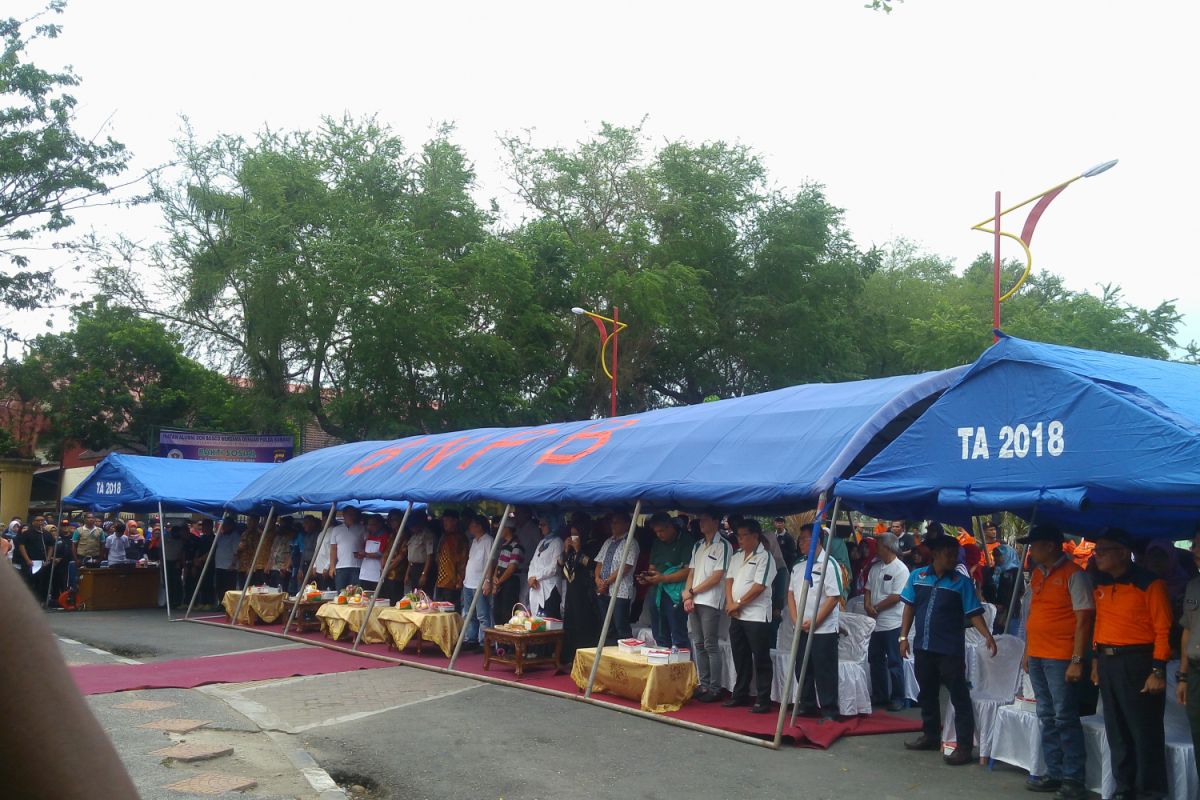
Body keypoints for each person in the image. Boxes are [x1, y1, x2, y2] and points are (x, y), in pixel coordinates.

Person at [899, 534, 997, 765]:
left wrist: (988, 636)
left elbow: (974, 613)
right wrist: (903, 637)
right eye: (949, 554)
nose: (953, 559)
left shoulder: (961, 583)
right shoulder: (917, 576)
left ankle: (964, 746)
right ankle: (931, 735)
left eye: (955, 555)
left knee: (959, 696)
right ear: (935, 555)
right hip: (923, 645)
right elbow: (909, 608)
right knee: (927, 693)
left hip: (950, 649)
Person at [1090, 528, 1170, 800]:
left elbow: (1163, 629)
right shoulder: (1101, 583)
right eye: (1096, 550)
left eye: (1103, 550)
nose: (1096, 556)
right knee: (1117, 730)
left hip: (1138, 661)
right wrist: (1096, 660)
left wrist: (1158, 670)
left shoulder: (1150, 584)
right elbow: (1099, 622)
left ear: (1123, 553)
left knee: (1143, 730)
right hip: (1108, 660)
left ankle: (1150, 791)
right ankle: (1124, 788)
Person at [1018, 524, 1094, 799]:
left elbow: (1084, 619)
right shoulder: (1038, 574)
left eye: (1034, 544)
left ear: (1050, 546)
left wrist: (1077, 659)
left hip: (1061, 656)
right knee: (1046, 715)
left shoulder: (1075, 575)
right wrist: (1028, 651)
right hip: (1038, 654)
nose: (1031, 549)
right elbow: (1032, 615)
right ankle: (1055, 771)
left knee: (1064, 716)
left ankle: (1073, 778)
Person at [790, 523, 843, 720]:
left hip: (823, 628)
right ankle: (808, 704)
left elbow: (834, 597)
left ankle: (829, 709)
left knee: (824, 669)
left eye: (804, 539)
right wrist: (796, 619)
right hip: (802, 626)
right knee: (802, 667)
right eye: (800, 540)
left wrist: (815, 621)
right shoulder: (798, 565)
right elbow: (790, 594)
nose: (800, 543)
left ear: (816, 540)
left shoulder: (829, 564)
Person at [724, 518, 777, 713]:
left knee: (761, 657)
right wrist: (730, 603)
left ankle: (763, 699)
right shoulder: (737, 555)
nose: (740, 539)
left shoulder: (765, 557)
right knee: (740, 655)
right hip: (737, 614)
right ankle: (740, 693)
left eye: (744, 535)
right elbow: (729, 580)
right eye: (738, 535)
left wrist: (738, 603)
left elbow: (759, 586)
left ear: (755, 536)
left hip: (756, 615)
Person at [682, 508, 731, 702]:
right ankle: (703, 684)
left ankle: (715, 687)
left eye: (705, 519)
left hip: (710, 600)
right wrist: (687, 595)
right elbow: (691, 572)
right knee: (699, 643)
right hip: (694, 599)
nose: (701, 523)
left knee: (711, 644)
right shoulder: (698, 545)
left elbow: (717, 576)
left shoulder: (724, 545)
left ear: (716, 521)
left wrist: (693, 591)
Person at [865, 532, 910, 712]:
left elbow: (897, 596)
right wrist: (867, 604)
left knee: (894, 661)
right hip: (875, 623)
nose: (876, 549)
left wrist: (876, 608)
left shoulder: (901, 569)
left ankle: (898, 697)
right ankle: (880, 695)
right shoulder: (875, 567)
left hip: (892, 623)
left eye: (879, 546)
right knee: (875, 659)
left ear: (888, 547)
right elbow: (867, 588)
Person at [640, 512, 692, 650]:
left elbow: (689, 571)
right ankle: (663, 664)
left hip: (675, 593)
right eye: (656, 532)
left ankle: (682, 667)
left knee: (678, 634)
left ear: (670, 527)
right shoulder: (657, 543)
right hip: (657, 591)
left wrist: (664, 578)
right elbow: (652, 567)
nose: (659, 534)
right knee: (660, 634)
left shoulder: (685, 540)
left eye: (662, 531)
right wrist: (647, 578)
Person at [594, 510, 640, 642]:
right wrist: (598, 579)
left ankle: (626, 658)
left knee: (621, 627)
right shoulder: (608, 541)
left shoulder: (631, 542)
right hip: (603, 590)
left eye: (616, 523)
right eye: (612, 523)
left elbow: (626, 567)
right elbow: (599, 562)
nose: (612, 526)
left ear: (626, 524)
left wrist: (606, 582)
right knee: (607, 628)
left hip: (620, 591)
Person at [561, 516, 602, 661]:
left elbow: (591, 564)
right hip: (572, 591)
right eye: (571, 534)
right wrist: (567, 550)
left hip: (585, 591)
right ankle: (569, 656)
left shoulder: (592, 545)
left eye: (576, 534)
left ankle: (584, 658)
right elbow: (563, 568)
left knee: (583, 623)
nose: (573, 538)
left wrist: (579, 550)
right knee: (570, 622)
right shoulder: (571, 550)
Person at [1177, 529, 1200, 784]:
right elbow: (1187, 633)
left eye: (1198, 545)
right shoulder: (1193, 586)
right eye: (1193, 544)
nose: (1194, 550)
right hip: (1195, 673)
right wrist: (1182, 676)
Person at [460, 514, 495, 651]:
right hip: (469, 581)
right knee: (469, 613)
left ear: (480, 526)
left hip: (480, 582)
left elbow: (490, 561)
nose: (470, 527)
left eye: (473, 524)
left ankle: (485, 641)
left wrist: (487, 580)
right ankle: (472, 638)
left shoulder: (489, 540)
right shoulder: (474, 541)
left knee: (482, 614)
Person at [527, 517, 564, 618]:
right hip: (537, 587)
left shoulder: (558, 542)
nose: (540, 527)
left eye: (543, 525)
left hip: (551, 587)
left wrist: (536, 577)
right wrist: (530, 577)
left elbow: (554, 567)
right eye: (540, 524)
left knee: (550, 619)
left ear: (552, 526)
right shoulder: (541, 542)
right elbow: (533, 562)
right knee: (538, 620)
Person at [983, 543, 1022, 634]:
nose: (995, 558)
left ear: (1007, 555)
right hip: (993, 611)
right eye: (994, 555)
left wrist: (1004, 606)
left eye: (998, 555)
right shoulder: (991, 571)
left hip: (1010, 612)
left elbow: (1018, 591)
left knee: (1010, 641)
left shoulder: (1015, 572)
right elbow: (985, 588)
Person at [492, 519, 524, 622]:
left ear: (507, 529)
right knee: (497, 612)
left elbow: (512, 567)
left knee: (507, 612)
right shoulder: (504, 544)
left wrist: (499, 581)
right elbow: (499, 563)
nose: (499, 530)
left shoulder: (516, 546)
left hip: (510, 583)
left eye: (501, 527)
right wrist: (494, 577)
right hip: (500, 582)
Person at [435, 510, 469, 609]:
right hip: (441, 580)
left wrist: (460, 580)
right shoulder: (444, 536)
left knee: (451, 610)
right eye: (444, 520)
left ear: (455, 521)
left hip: (452, 581)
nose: (445, 523)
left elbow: (463, 560)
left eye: (447, 520)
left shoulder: (460, 538)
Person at [327, 506, 366, 590]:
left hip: (357, 567)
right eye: (349, 514)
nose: (352, 516)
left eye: (353, 514)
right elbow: (333, 549)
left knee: (356, 594)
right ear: (344, 515)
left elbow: (367, 545)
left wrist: (363, 553)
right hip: (341, 568)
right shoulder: (336, 530)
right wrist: (332, 566)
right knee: (341, 593)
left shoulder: (362, 529)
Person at [402, 516, 436, 595]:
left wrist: (424, 574)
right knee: (415, 594)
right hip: (414, 568)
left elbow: (429, 556)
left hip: (423, 567)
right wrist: (407, 574)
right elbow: (411, 557)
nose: (411, 528)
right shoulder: (413, 536)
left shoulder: (427, 535)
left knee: (424, 594)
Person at [356, 514, 390, 592]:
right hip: (365, 572)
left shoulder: (384, 536)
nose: (369, 527)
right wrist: (360, 554)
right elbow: (363, 548)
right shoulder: (368, 535)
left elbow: (380, 553)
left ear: (380, 524)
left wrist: (366, 554)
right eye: (368, 524)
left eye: (372, 525)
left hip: (377, 572)